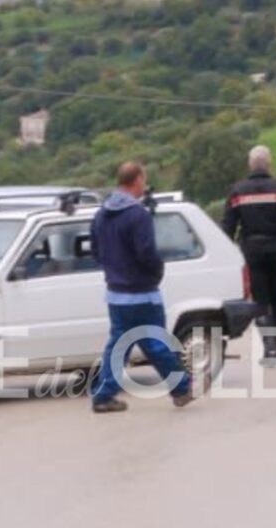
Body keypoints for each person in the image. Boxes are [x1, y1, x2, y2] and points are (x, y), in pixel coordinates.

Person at [89, 162, 194, 414]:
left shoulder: (101, 215)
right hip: (142, 293)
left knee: (118, 345)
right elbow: (146, 252)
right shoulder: (138, 215)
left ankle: (103, 396)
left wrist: (112, 271)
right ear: (137, 180)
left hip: (116, 294)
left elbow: (94, 250)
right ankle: (181, 388)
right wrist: (156, 272)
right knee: (155, 343)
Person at [222, 146, 276, 367]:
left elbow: (227, 227)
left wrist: (226, 252)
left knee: (260, 301)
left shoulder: (237, 191)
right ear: (269, 164)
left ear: (250, 164)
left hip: (252, 252)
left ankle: (269, 346)